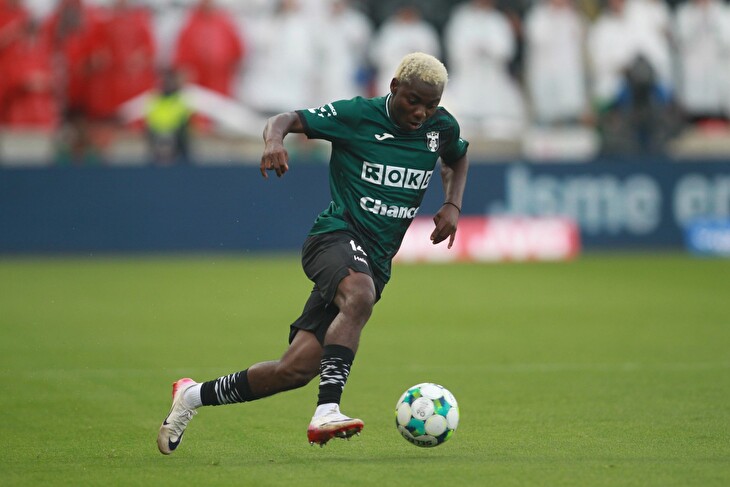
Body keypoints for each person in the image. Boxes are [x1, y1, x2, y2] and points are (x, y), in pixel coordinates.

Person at [157, 52, 469, 453]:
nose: (421, 112)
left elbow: (456, 156)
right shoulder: (357, 115)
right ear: (394, 88)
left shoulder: (441, 127)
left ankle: (192, 396)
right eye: (413, 101)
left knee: (294, 370)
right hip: (334, 237)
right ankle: (327, 410)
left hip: (375, 261)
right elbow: (284, 119)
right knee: (360, 295)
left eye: (431, 104)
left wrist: (452, 204)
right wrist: (273, 141)